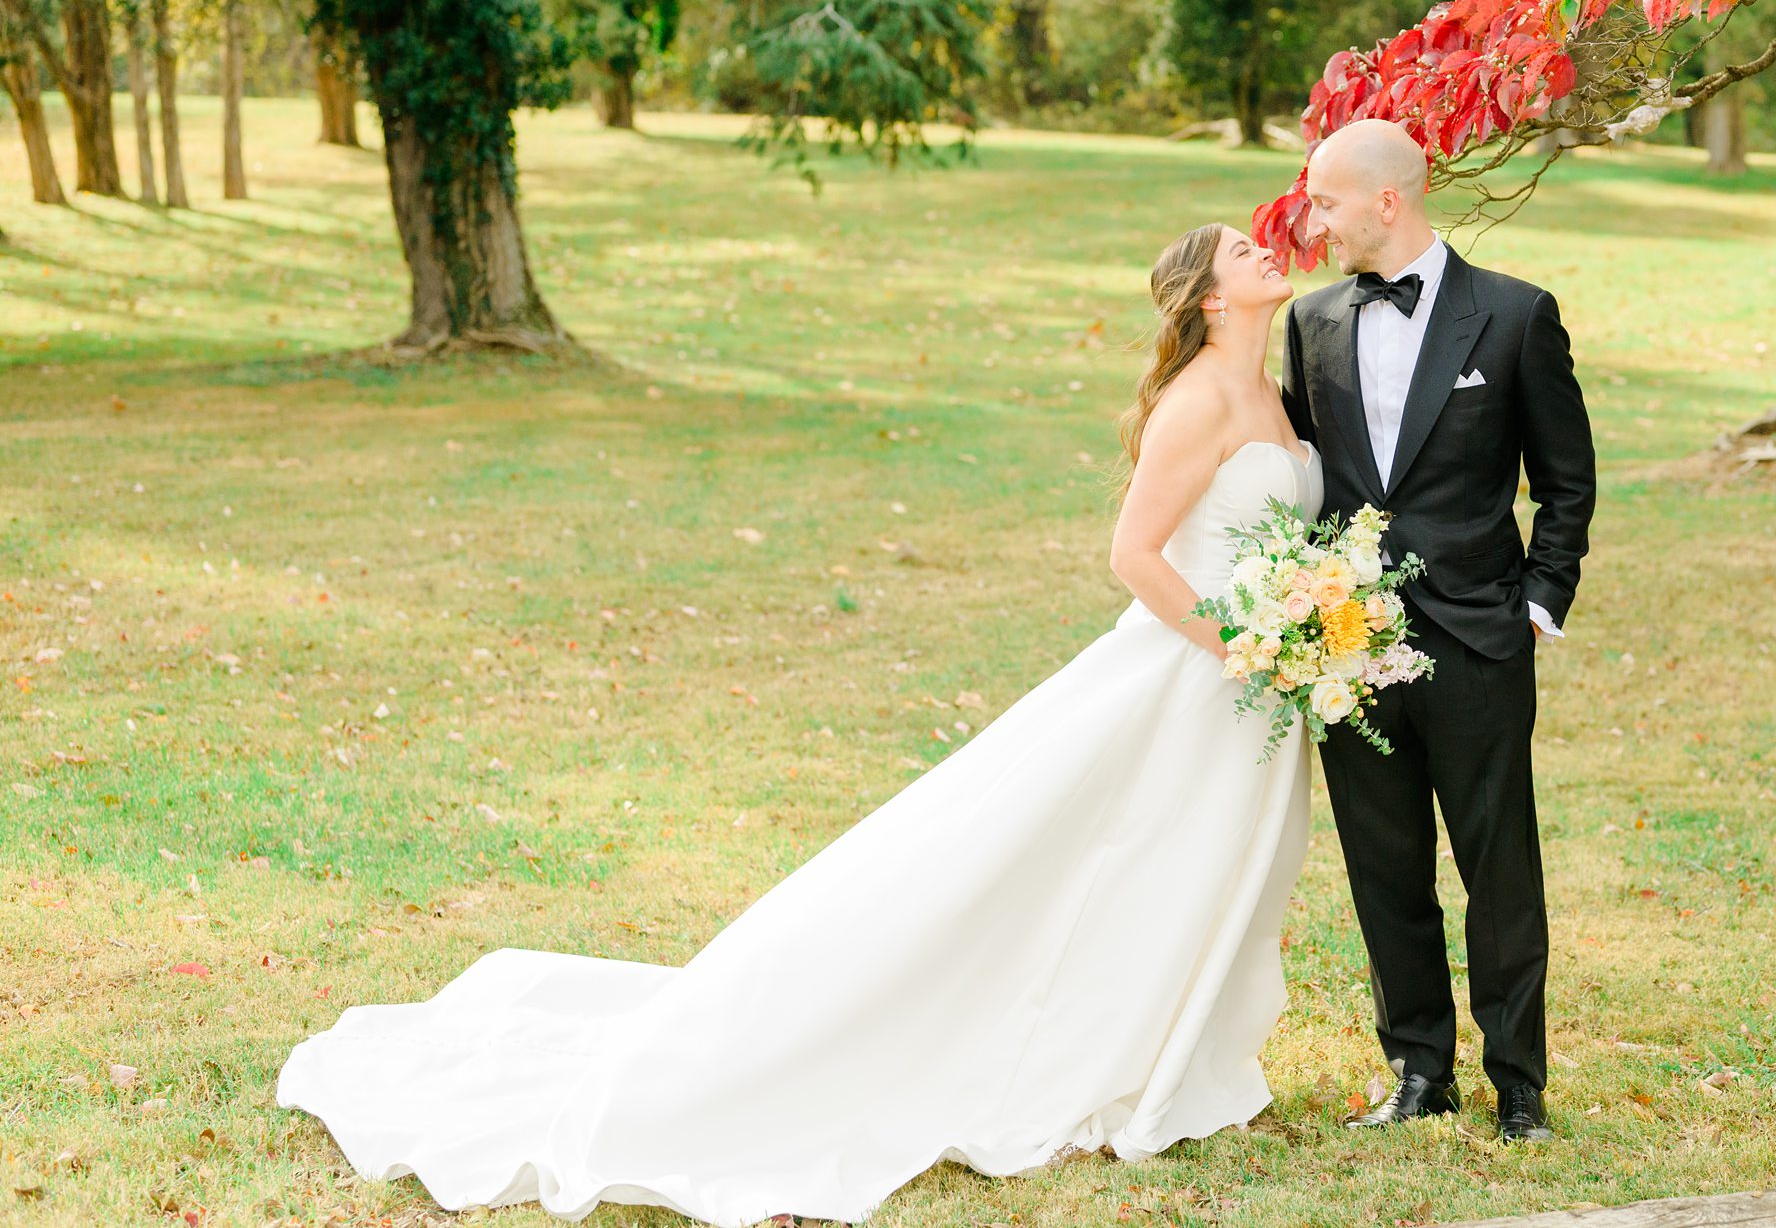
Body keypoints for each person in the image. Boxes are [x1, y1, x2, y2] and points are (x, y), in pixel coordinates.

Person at [276, 223, 1322, 1228]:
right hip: (1191, 670)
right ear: (1210, 297)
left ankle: (1169, 1050)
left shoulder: (1271, 387)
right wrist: (1240, 642)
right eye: (1240, 248)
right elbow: (1135, 557)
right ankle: (1081, 1053)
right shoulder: (1197, 400)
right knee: (1103, 856)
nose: (1264, 247)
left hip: (1253, 681)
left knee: (1199, 863)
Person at [1280, 117, 1595, 1143]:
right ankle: (1418, 1067)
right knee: (1384, 864)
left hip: (1475, 638)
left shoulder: (1512, 316)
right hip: (1347, 644)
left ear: (1387, 200)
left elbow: (1566, 480)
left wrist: (1538, 602)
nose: (1310, 218)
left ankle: (1519, 1083)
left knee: (1498, 863)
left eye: (1325, 200)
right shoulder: (1312, 320)